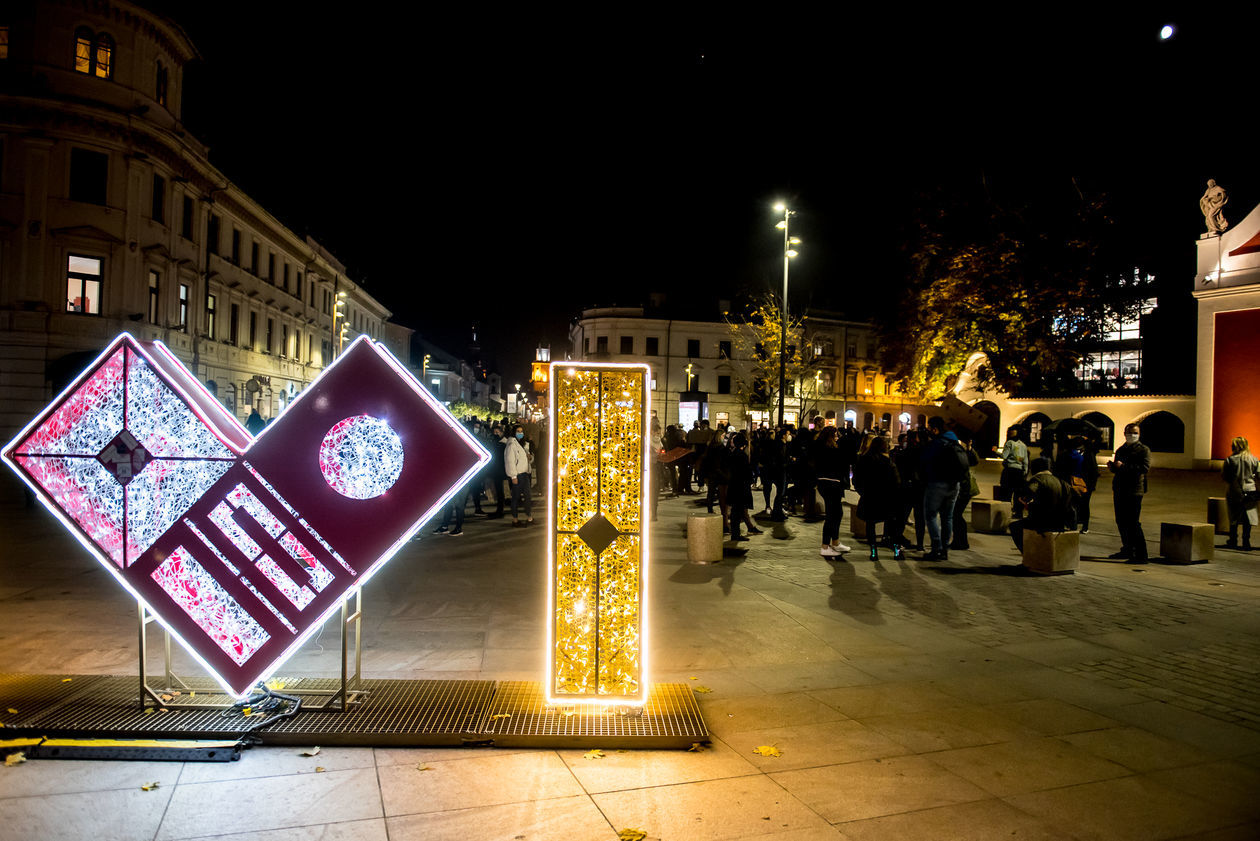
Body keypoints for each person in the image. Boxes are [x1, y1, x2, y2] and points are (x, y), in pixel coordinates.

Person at [920, 417, 969, 561]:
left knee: (930, 515)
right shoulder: (954, 441)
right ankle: (945, 550)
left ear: (935, 428)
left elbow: (925, 460)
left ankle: (937, 547)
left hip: (937, 483)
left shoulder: (938, 443)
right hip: (954, 484)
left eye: (930, 427)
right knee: (948, 517)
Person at [1009, 457, 1076, 552]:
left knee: (1015, 527)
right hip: (1060, 522)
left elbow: (1030, 491)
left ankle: (1029, 556)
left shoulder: (1038, 479)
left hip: (1042, 521)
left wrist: (1024, 498)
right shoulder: (1061, 481)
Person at [1108, 423, 1151, 563]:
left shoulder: (1143, 450)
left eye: (1135, 432)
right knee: (1121, 521)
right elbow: (1117, 469)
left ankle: (1141, 554)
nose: (1132, 435)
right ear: (1124, 433)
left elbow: (1144, 468)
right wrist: (1113, 467)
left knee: (1133, 523)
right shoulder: (1121, 449)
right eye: (1129, 432)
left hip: (1134, 490)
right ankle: (1127, 548)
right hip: (1120, 489)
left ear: (1139, 434)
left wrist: (1124, 467)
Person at [854, 435, 902, 560]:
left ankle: (873, 551)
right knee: (892, 524)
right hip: (887, 497)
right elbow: (896, 482)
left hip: (870, 496)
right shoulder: (888, 462)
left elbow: (856, 480)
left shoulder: (863, 460)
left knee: (870, 525)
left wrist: (863, 492)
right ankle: (897, 551)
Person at [815, 427, 853, 557]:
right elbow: (842, 462)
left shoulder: (821, 447)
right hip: (831, 483)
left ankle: (835, 542)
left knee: (837, 513)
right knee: (832, 514)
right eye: (835, 435)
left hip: (827, 483)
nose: (837, 437)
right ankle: (825, 546)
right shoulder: (829, 449)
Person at [1054, 436, 1099, 533]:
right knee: (1081, 505)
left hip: (1075, 483)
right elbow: (1093, 471)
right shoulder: (1081, 455)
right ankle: (1082, 525)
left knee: (1073, 504)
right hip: (1081, 484)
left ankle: (1073, 524)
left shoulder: (1068, 454)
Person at [1222, 436, 1259, 550]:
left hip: (1235, 490)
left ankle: (1233, 539)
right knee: (1248, 517)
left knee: (1234, 516)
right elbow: (1258, 474)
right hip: (1250, 490)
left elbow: (1225, 476)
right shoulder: (1254, 459)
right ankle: (1246, 540)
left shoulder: (1230, 460)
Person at [950, 428, 980, 551]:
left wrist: (969, 448)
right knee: (956, 515)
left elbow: (974, 461)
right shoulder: (959, 451)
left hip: (965, 489)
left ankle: (961, 542)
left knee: (956, 514)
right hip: (962, 488)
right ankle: (959, 541)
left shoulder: (960, 452)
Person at [727, 432, 757, 541]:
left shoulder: (733, 454)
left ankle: (736, 533)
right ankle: (736, 534)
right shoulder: (741, 455)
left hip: (734, 485)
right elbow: (746, 472)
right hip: (740, 486)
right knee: (737, 511)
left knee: (736, 510)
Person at [998, 426, 1029, 516]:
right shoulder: (1023, 445)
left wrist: (995, 451)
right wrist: (1024, 472)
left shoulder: (1009, 443)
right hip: (1019, 472)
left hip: (1009, 471)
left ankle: (1006, 512)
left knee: (1006, 493)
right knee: (1018, 494)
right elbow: (1026, 462)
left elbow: (1004, 456)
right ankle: (1018, 513)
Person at [505, 424, 532, 526]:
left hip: (525, 473)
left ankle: (529, 517)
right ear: (514, 432)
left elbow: (527, 458)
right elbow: (510, 461)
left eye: (521, 431)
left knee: (528, 496)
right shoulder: (512, 444)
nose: (520, 433)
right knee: (516, 498)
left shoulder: (523, 444)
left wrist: (530, 457)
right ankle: (515, 519)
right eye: (518, 431)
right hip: (517, 475)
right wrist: (513, 476)